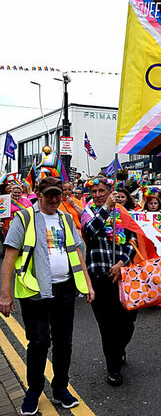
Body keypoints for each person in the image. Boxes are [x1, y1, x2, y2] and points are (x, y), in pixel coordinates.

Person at [0, 177, 95, 414]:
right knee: (39, 341)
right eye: (49, 195)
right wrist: (5, 294)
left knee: (64, 342)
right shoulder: (23, 218)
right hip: (34, 291)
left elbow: (77, 253)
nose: (54, 199)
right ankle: (33, 391)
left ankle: (60, 388)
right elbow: (10, 256)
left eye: (58, 195)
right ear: (38, 195)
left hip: (64, 288)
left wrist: (88, 285)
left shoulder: (65, 218)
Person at [82, 177, 138, 387]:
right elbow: (90, 231)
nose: (97, 195)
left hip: (123, 277)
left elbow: (133, 240)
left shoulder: (123, 214)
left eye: (102, 191)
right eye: (94, 191)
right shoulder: (87, 212)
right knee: (107, 326)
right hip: (99, 278)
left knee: (127, 322)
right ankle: (113, 368)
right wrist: (106, 207)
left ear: (110, 191)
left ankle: (119, 348)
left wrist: (122, 262)